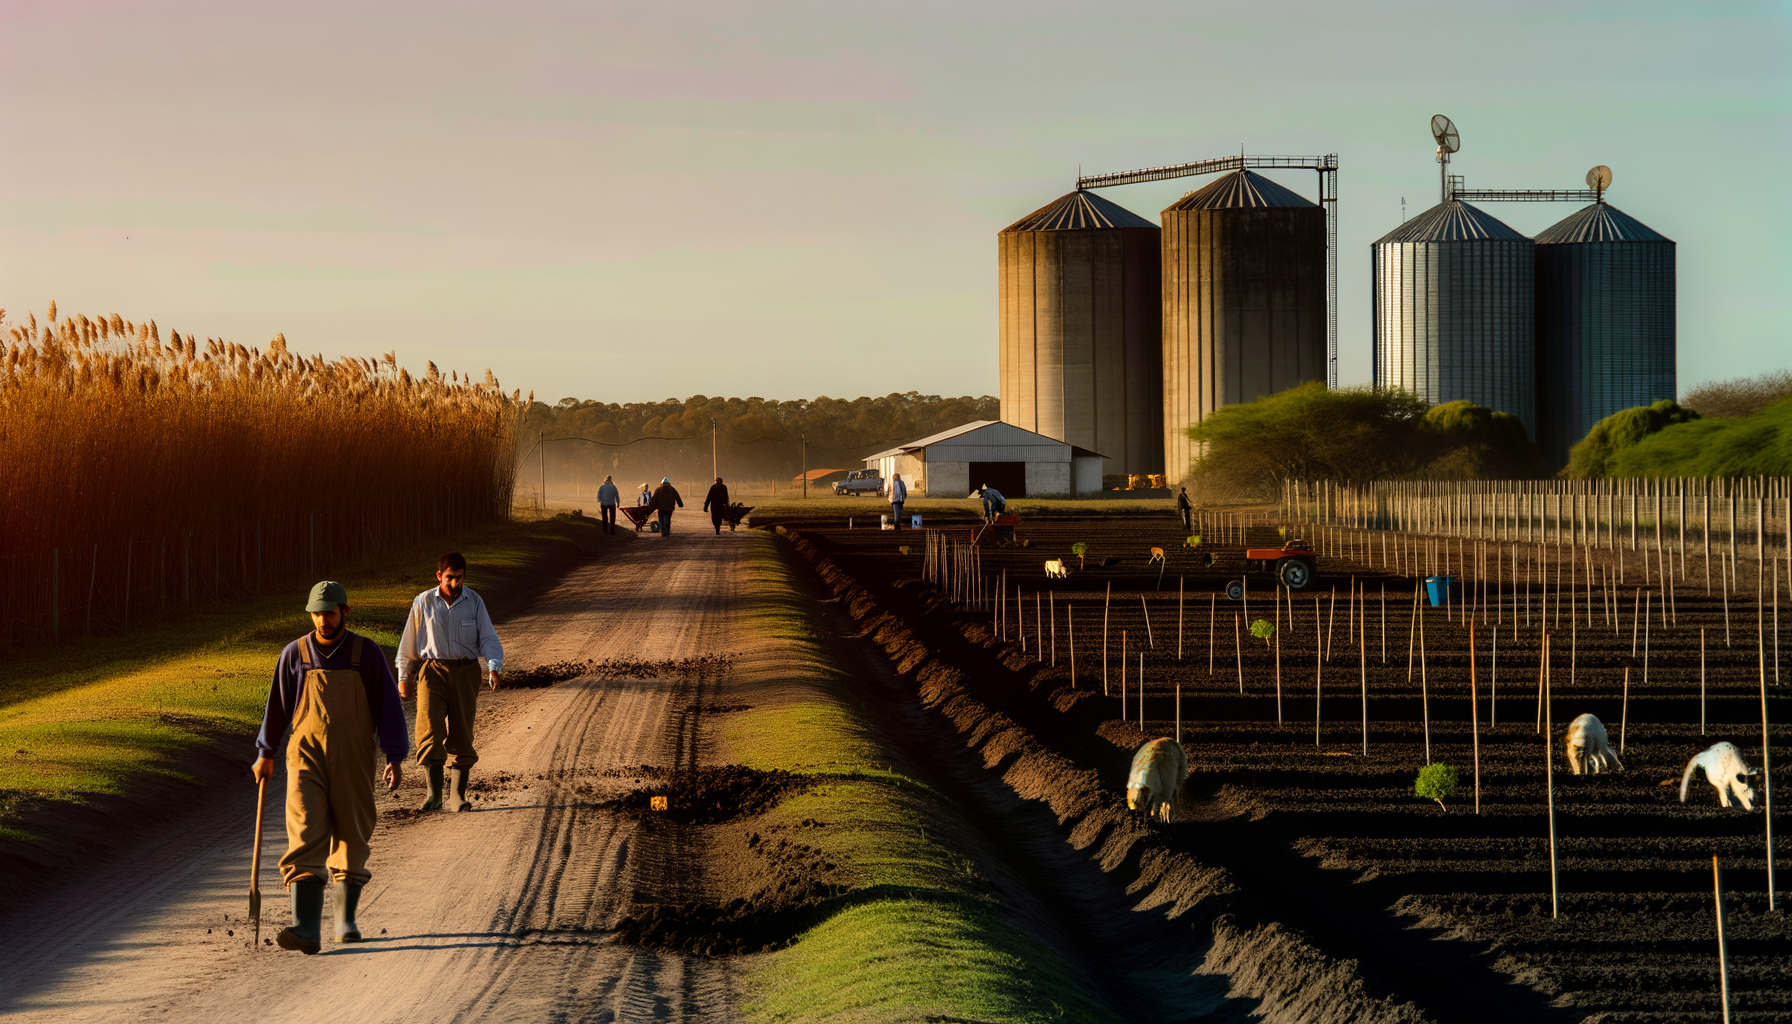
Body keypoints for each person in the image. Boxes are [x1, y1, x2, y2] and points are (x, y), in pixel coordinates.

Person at [253, 580, 408, 954]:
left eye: (331, 613)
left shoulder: (365, 653)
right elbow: (277, 708)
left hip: (354, 755)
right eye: (318, 613)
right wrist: (265, 753)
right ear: (310, 614)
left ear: (344, 612)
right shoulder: (295, 654)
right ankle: (305, 927)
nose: (324, 620)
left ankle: (345, 919)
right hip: (304, 754)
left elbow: (389, 707)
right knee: (305, 828)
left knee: (352, 832)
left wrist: (394, 755)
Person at [396, 552, 504, 814]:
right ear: (439, 576)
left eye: (459, 578)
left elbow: (489, 637)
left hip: (466, 671)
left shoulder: (474, 601)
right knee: (429, 730)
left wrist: (493, 667)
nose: (455, 584)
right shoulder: (423, 602)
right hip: (431, 672)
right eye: (450, 579)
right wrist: (404, 675)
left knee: (462, 732)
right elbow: (409, 641)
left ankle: (457, 796)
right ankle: (433, 795)